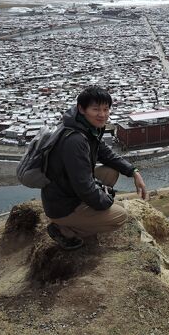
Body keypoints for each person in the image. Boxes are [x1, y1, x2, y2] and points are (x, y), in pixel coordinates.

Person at [42, 86, 147, 250]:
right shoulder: (75, 140)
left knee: (111, 171)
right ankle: (64, 229)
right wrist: (107, 201)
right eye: (96, 109)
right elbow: (83, 187)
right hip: (63, 205)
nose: (102, 114)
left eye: (106, 109)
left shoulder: (86, 128)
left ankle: (84, 215)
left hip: (68, 190)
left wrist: (133, 172)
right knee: (120, 216)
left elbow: (106, 154)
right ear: (81, 109)